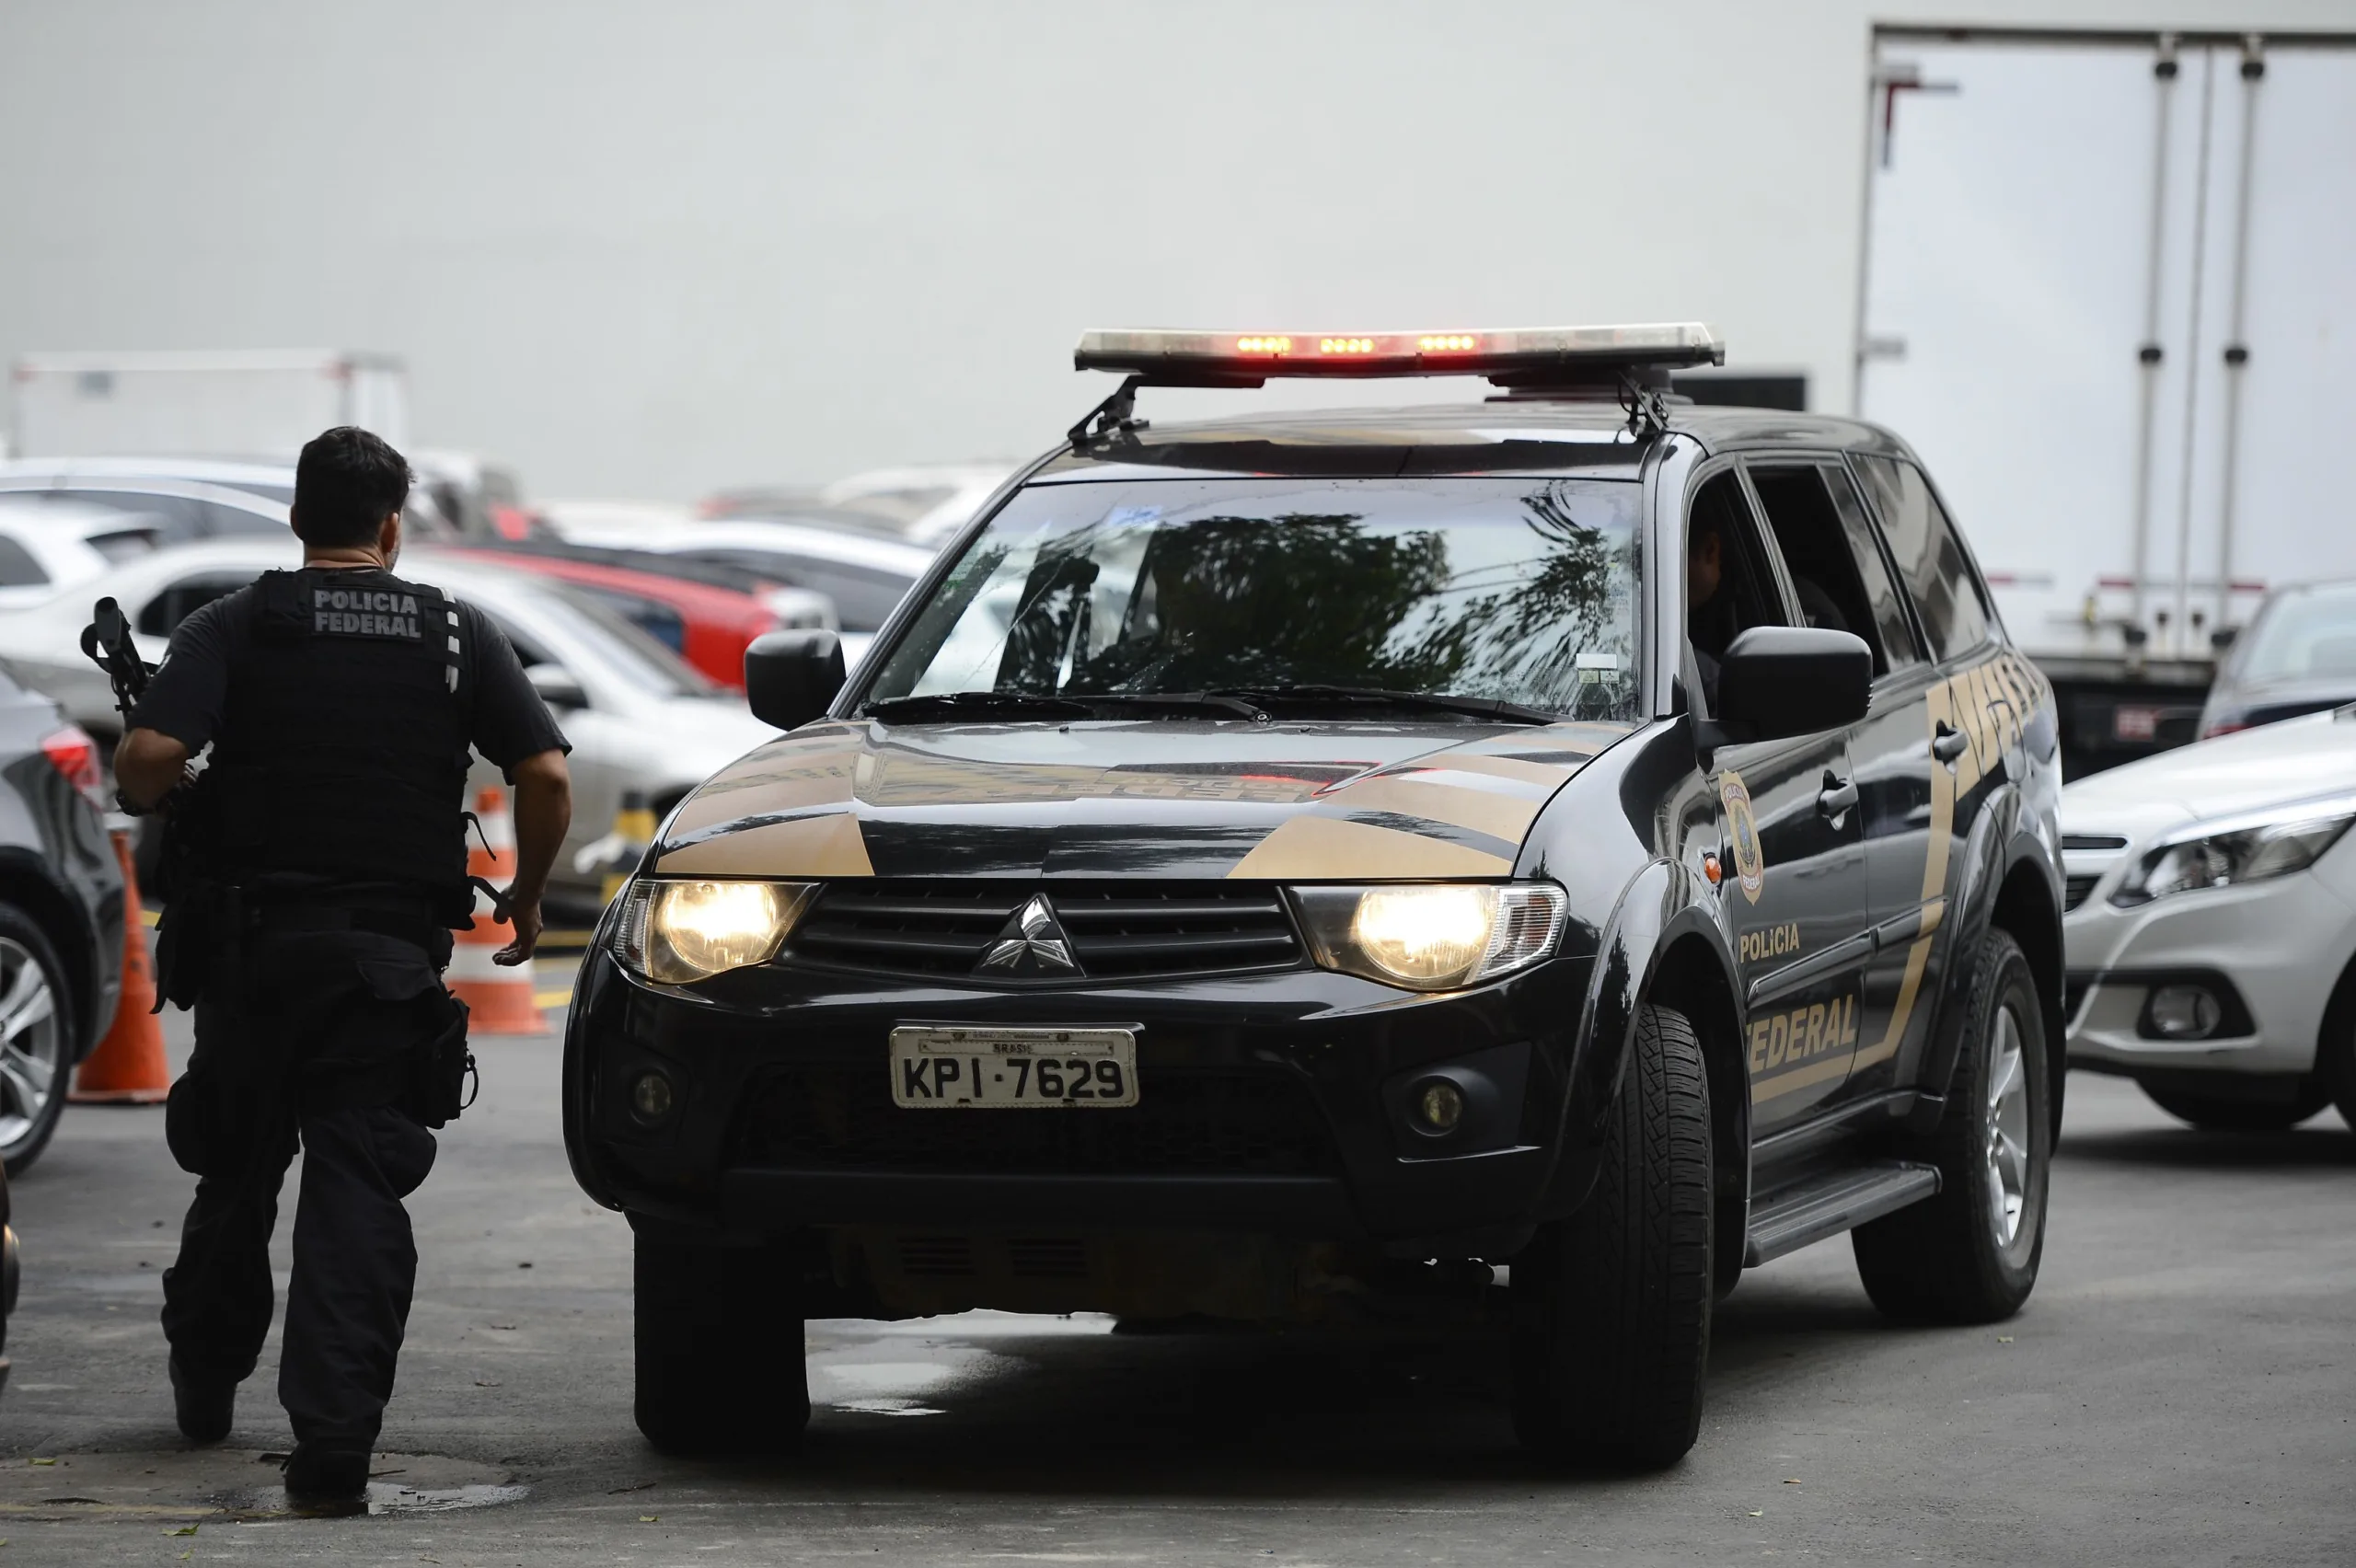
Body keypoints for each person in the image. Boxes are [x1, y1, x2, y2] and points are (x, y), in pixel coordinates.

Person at [112, 427, 572, 1504]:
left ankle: (206, 1377)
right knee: (356, 1191)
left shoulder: (236, 621)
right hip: (381, 968)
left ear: (295, 519)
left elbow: (147, 762)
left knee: (237, 1170)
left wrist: (159, 794)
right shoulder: (456, 630)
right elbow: (543, 774)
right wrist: (532, 893)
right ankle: (334, 1443)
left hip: (253, 959)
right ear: (391, 527)